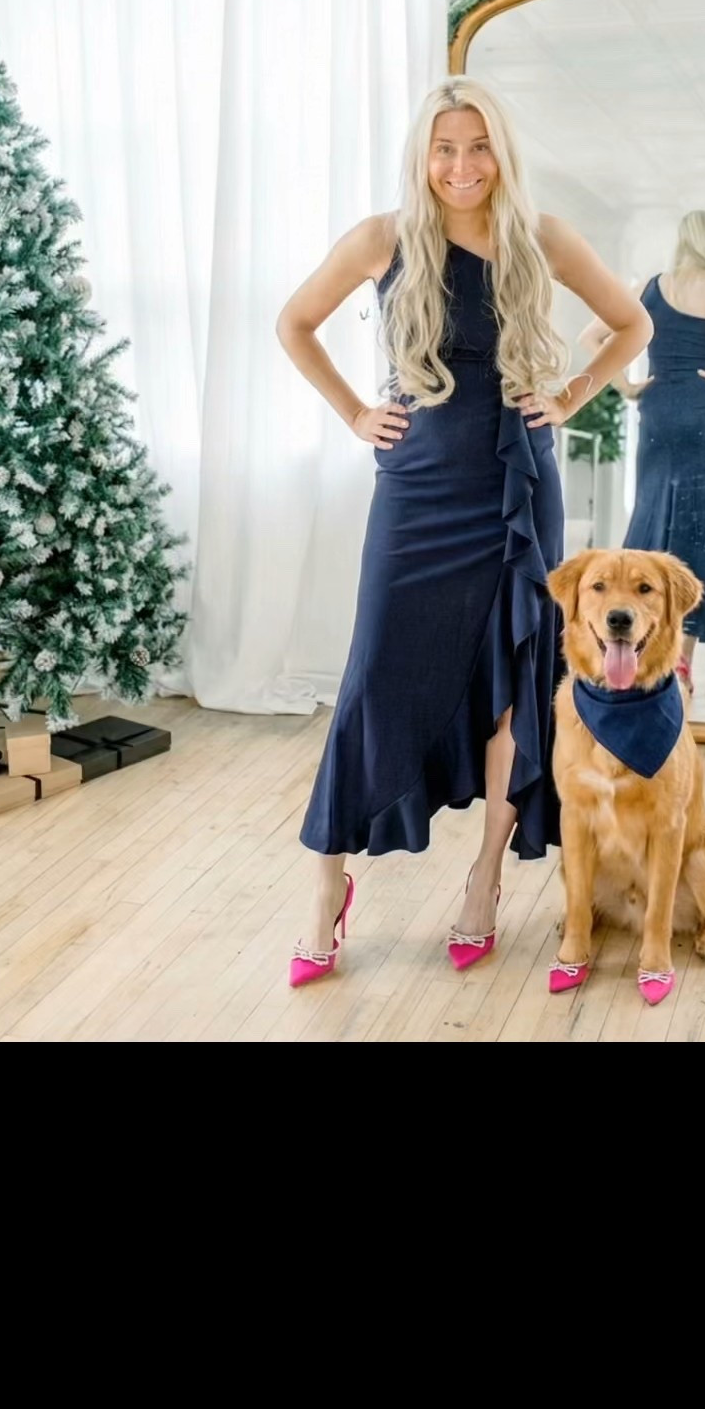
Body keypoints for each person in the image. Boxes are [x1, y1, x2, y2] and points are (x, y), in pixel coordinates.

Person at [276, 76, 652, 984]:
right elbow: (295, 324)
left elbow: (632, 323)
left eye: (478, 146)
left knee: (517, 685)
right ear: (423, 155)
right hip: (416, 490)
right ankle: (326, 887)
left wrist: (569, 397)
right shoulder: (382, 239)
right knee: (372, 677)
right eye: (445, 148)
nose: (461, 166)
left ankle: (484, 879)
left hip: (516, 488)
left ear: (501, 153)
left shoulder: (540, 237)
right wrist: (355, 413)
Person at [580, 209, 705, 696]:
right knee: (699, 529)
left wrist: (626, 386)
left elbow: (592, 336)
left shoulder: (652, 286)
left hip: (660, 412)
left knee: (652, 519)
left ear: (683, 242)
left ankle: (634, 649)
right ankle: (681, 663)